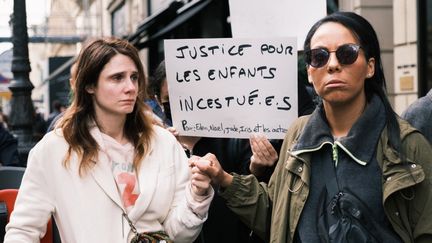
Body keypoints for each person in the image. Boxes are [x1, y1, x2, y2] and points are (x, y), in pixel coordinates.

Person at [193, 12, 432, 243]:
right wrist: (224, 179)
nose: (333, 65)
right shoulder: (297, 134)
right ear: (309, 71)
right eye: (319, 57)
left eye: (347, 54)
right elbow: (276, 215)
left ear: (370, 67)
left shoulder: (408, 144)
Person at [4, 37, 214, 243]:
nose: (130, 87)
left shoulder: (164, 143)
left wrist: (197, 194)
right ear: (89, 85)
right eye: (117, 78)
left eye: (134, 77)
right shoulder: (55, 150)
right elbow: (23, 229)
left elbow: (179, 235)